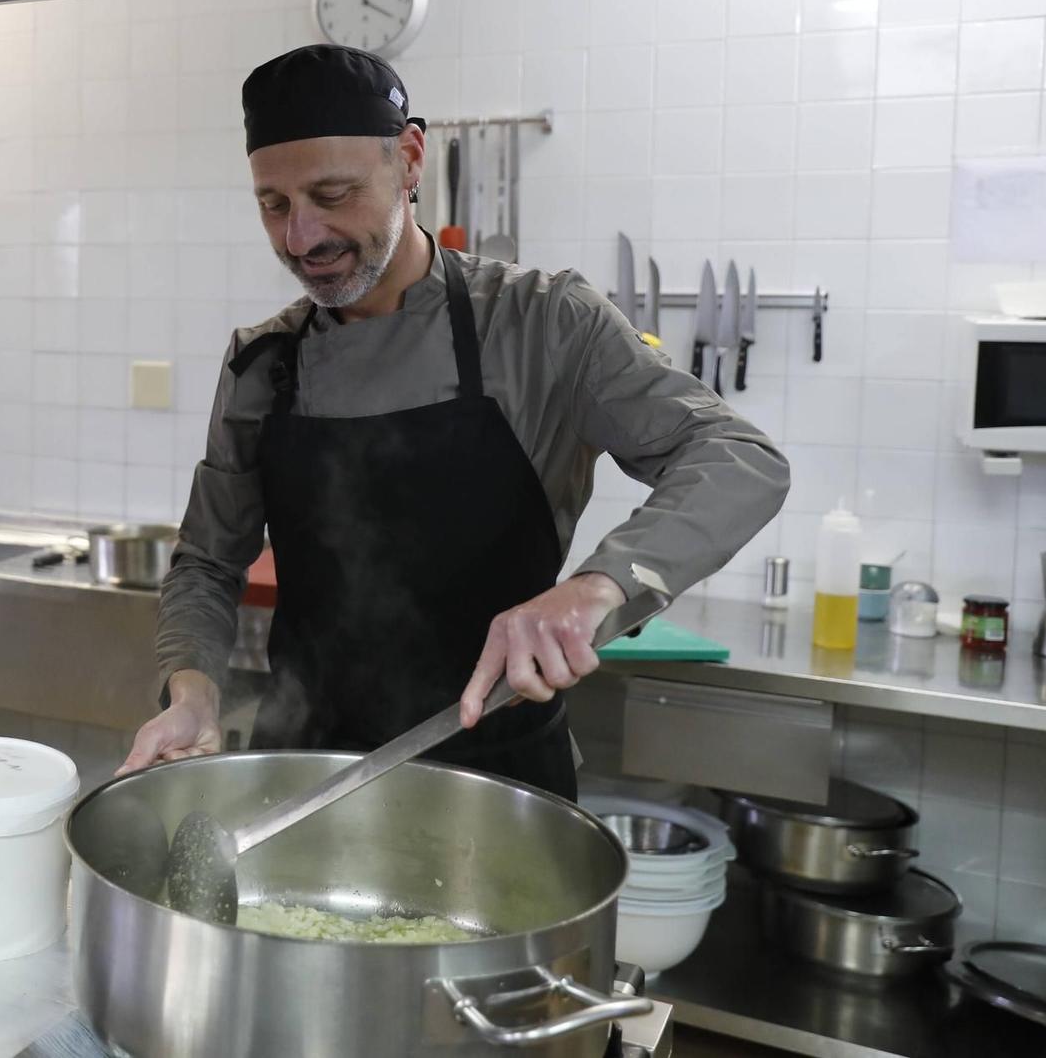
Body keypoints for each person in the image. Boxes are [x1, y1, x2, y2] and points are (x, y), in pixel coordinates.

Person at [119, 45, 789, 799]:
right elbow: (208, 562)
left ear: (409, 160)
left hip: (503, 790)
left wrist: (599, 586)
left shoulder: (542, 323)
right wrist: (194, 692)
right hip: (307, 786)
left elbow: (737, 455)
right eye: (273, 205)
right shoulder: (262, 365)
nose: (302, 238)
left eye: (333, 194)